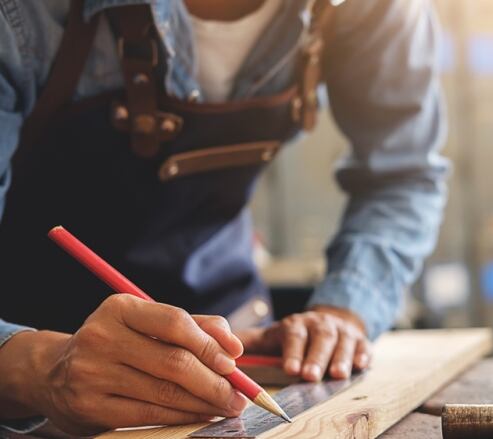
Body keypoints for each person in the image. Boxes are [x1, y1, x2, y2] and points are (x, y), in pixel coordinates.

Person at [0, 0, 447, 435]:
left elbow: (403, 177)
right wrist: (39, 369)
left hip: (229, 348)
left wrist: (344, 313)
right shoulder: (26, 13)